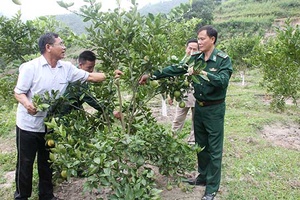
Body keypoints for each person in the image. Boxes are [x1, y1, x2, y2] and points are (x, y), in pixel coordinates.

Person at [13, 32, 122, 200]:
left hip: (50, 125)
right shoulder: (31, 67)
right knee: (25, 164)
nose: (64, 47)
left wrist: (111, 74)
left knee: (47, 162)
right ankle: (21, 197)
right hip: (28, 125)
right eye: (61, 44)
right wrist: (28, 104)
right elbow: (19, 92)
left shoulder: (67, 68)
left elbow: (91, 76)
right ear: (49, 47)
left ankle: (47, 196)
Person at [139, 25, 233, 200]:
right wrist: (152, 75)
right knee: (201, 145)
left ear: (212, 39)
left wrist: (202, 72)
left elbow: (222, 81)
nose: (199, 42)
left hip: (214, 109)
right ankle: (202, 177)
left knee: (214, 149)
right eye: (198, 39)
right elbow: (176, 68)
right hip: (200, 107)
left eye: (202, 39)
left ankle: (212, 188)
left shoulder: (222, 59)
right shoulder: (195, 57)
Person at [58, 50, 120, 119]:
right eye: (89, 67)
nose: (91, 70)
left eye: (93, 67)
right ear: (80, 65)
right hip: (62, 114)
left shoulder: (79, 73)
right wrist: (110, 111)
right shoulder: (77, 80)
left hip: (72, 111)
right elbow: (90, 99)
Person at [169, 39, 198, 144]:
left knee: (196, 121)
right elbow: (174, 80)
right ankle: (173, 139)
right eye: (190, 48)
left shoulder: (200, 63)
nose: (192, 51)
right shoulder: (181, 62)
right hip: (183, 96)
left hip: (196, 96)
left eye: (195, 49)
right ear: (186, 48)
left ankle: (192, 141)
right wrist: (171, 96)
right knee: (178, 119)